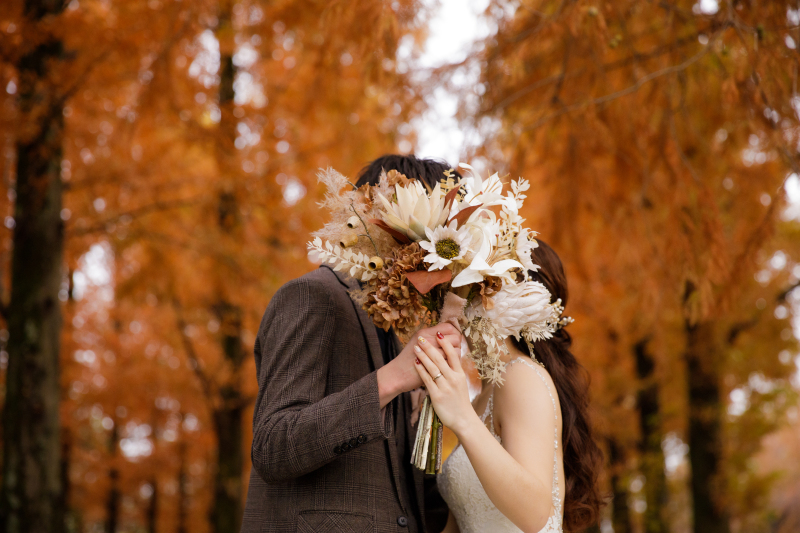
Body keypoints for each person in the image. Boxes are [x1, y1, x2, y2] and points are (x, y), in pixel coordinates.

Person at [240, 155, 462, 533]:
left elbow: (409, 507)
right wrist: (390, 380)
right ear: (379, 219)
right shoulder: (311, 296)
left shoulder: (392, 328)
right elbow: (273, 446)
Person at [414, 241, 604, 533]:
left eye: (471, 285)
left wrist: (461, 417)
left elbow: (537, 515)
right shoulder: (484, 395)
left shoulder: (522, 377)